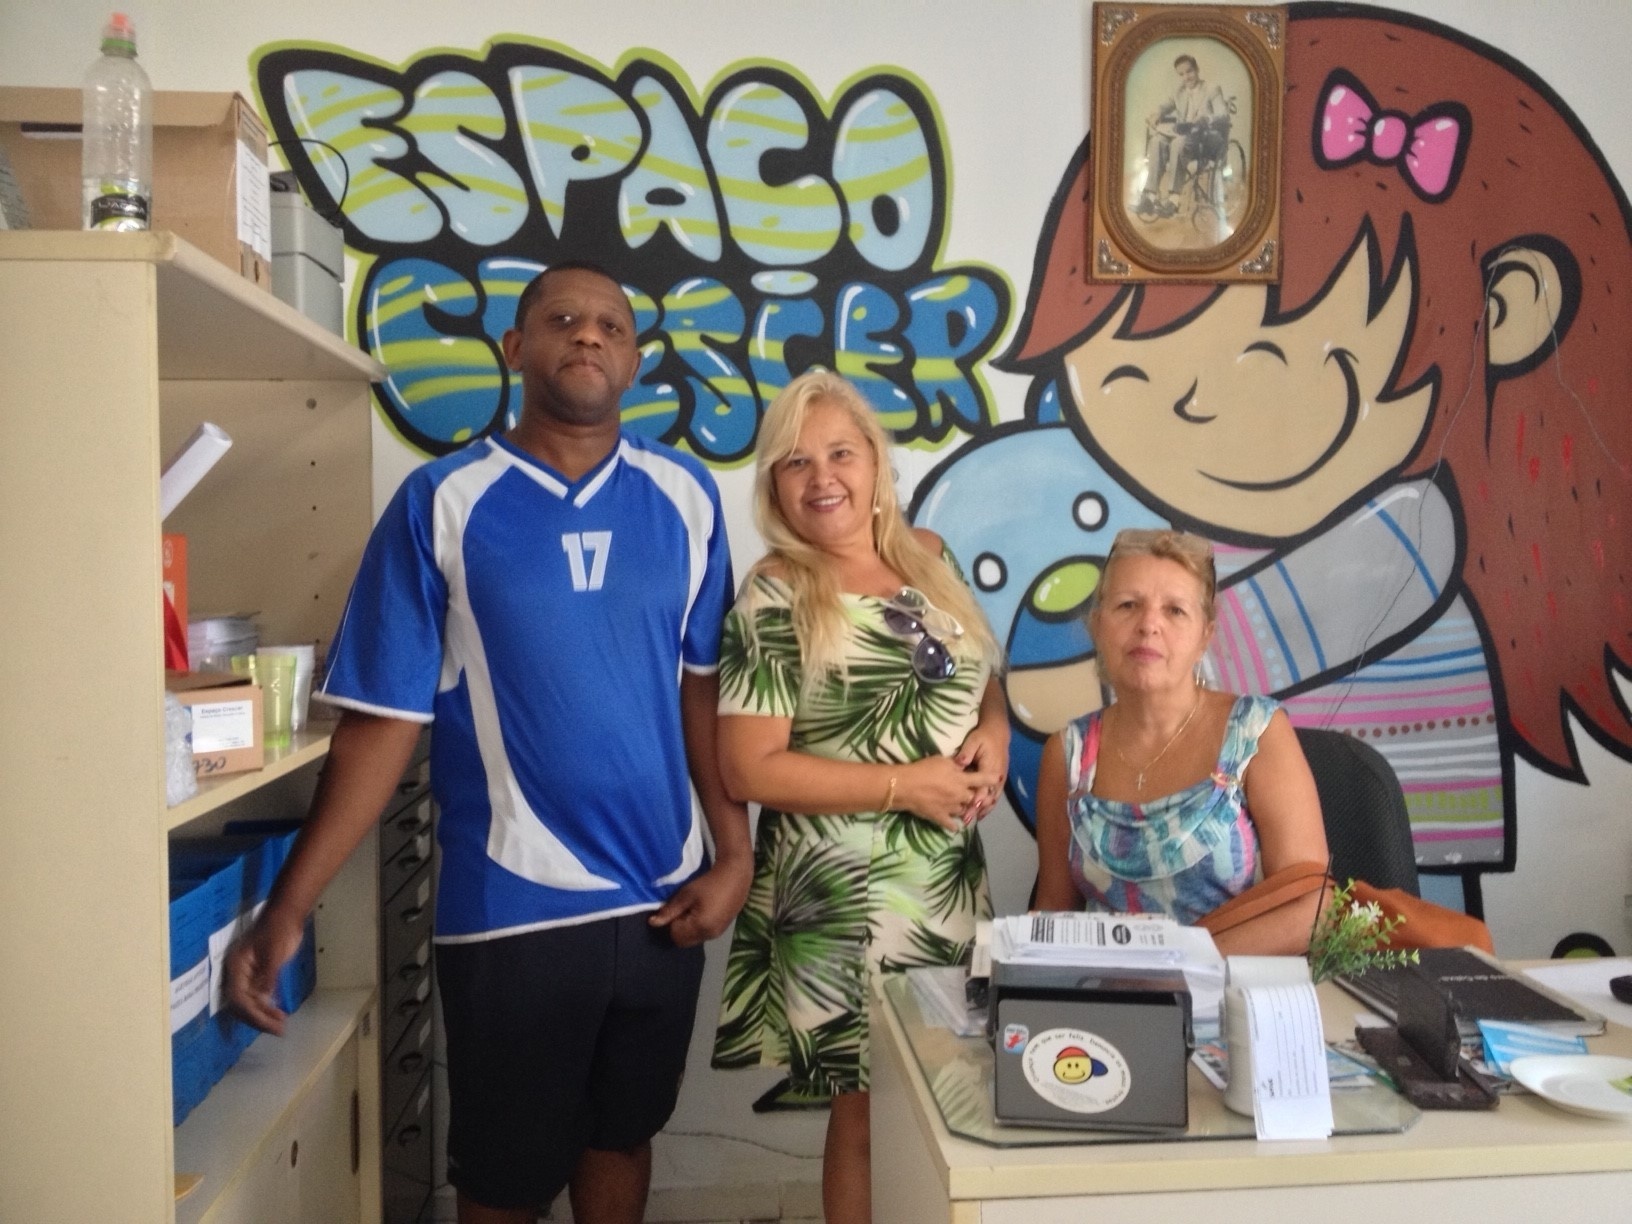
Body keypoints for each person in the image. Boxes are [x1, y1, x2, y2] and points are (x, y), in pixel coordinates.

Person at [998, 6, 1632, 897]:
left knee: (1401, 932)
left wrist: (1072, 679)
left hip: (1419, 801)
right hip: (1139, 972)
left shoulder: (1413, 520)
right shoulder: (1084, 749)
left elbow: (1286, 623)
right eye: (1139, 366)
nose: (1199, 399)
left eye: (1275, 355)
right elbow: (1055, 907)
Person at [224, 260, 751, 1224]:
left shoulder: (686, 496)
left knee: (623, 1135)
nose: (588, 335)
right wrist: (291, 905)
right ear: (515, 347)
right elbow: (383, 725)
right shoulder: (442, 502)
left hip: (663, 900)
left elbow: (702, 692)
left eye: (612, 327)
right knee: (504, 1178)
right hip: (512, 908)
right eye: (562, 319)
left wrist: (736, 855)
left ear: (636, 362)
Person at [709, 370, 1007, 1224]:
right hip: (842, 896)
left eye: (840, 453)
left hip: (945, 883)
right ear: (774, 485)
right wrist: (905, 786)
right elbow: (749, 769)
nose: (822, 477)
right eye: (795, 462)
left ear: (876, 462)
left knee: (950, 1100)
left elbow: (981, 675)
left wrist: (994, 731)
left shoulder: (930, 559)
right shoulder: (776, 593)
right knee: (869, 1114)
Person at [1032, 528, 1329, 955]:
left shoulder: (1257, 732)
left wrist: (1175, 966)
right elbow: (1054, 911)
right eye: (1128, 605)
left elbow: (1311, 909)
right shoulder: (1067, 755)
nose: (1148, 625)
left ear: (1205, 635)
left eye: (1174, 610)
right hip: (1106, 990)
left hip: (1229, 987)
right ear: (1097, 625)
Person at [1138, 53, 1230, 218]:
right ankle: (1150, 196)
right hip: (1185, 138)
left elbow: (1223, 114)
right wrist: (1157, 114)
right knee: (1157, 140)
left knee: (1178, 142)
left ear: (1197, 69)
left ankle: (1174, 200)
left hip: (1205, 140)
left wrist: (1206, 119)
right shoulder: (1179, 91)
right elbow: (1165, 106)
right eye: (1181, 74)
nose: (1186, 77)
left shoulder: (1212, 89)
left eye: (1189, 71)